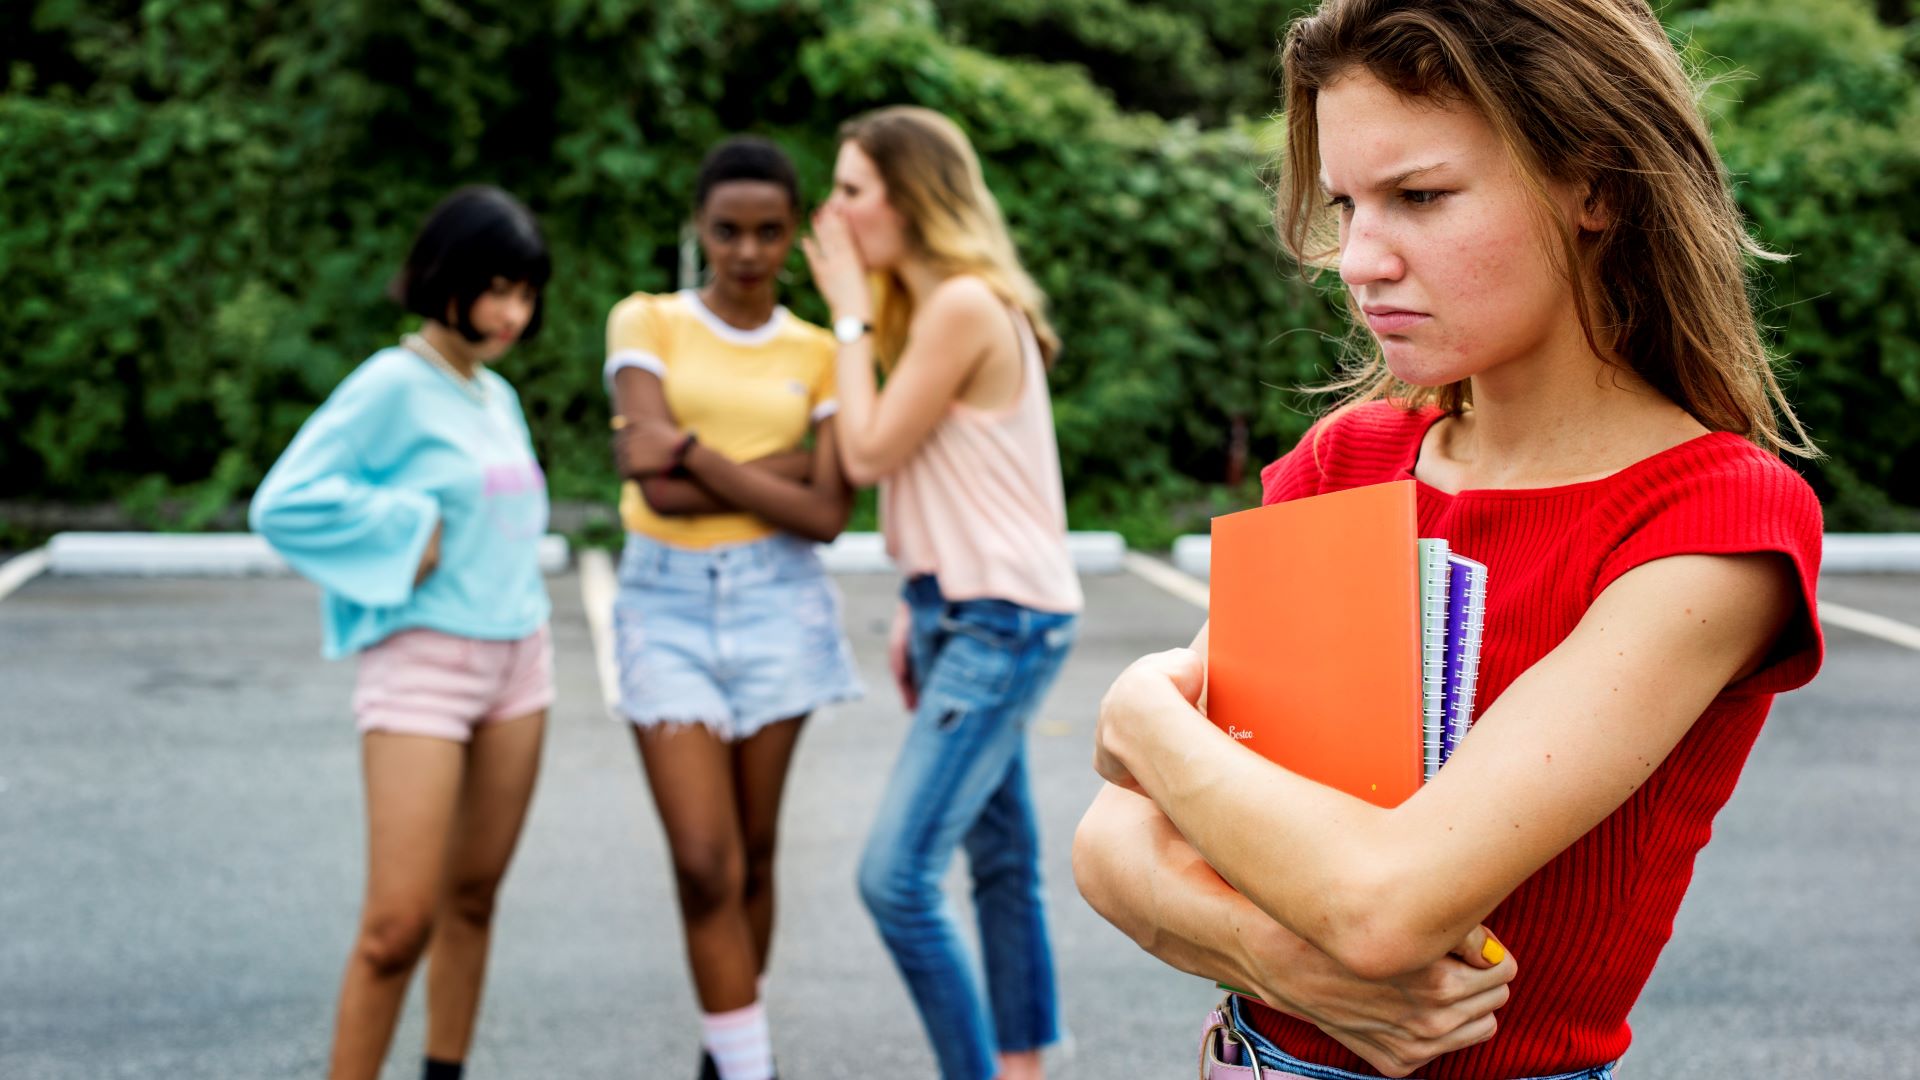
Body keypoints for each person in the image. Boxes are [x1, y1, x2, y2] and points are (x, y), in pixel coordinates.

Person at [1073, 2, 1827, 1078]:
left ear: (1598, 186)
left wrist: (1140, 714)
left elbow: (1384, 902)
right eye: (1347, 205)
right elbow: (1109, 850)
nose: (1358, 261)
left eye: (1419, 197)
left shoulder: (1714, 521)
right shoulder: (1350, 462)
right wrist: (1292, 968)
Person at [801, 106, 1082, 1080]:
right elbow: (934, 476)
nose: (830, 213)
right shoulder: (933, 309)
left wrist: (841, 309)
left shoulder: (963, 304)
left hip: (1000, 621)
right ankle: (1023, 1066)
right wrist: (917, 603)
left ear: (909, 199)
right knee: (1002, 865)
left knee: (895, 880)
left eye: (850, 190)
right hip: (958, 609)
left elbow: (871, 450)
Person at [249, 185, 553, 1080]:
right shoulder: (392, 384)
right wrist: (402, 530)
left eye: (525, 295)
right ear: (444, 278)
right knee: (395, 927)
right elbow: (285, 501)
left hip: (521, 662)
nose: (510, 314)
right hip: (426, 665)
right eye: (494, 289)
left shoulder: (493, 395)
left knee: (473, 901)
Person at [603, 136, 862, 1080]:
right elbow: (649, 483)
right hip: (662, 607)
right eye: (726, 231)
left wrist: (694, 453)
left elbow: (830, 512)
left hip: (779, 604)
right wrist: (781, 470)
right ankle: (753, 1065)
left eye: (766, 232)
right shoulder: (647, 320)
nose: (746, 251)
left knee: (754, 855)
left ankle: (728, 1047)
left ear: (793, 233)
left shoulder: (819, 350)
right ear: (699, 230)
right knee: (705, 861)